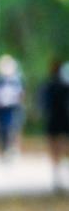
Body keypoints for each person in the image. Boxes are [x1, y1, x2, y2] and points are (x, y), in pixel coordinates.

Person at [38, 59, 69, 191]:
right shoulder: (60, 86)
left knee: (56, 148)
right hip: (60, 120)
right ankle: (58, 177)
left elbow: (43, 105)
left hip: (57, 120)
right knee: (58, 148)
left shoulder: (50, 86)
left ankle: (57, 176)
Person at [0, 54, 25, 158]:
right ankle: (1, 151)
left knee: (14, 129)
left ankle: (13, 149)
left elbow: (22, 94)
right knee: (1, 131)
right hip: (0, 110)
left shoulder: (17, 79)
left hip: (13, 109)